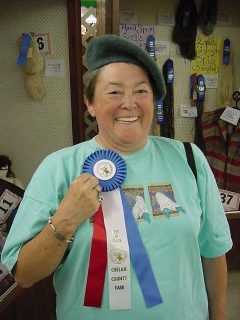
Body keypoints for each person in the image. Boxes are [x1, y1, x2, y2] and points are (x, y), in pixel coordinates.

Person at [1, 34, 232, 320]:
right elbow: (23, 274)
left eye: (141, 91)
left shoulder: (189, 158)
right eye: (114, 92)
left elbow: (213, 251)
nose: (129, 103)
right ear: (90, 104)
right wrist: (67, 218)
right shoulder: (57, 168)